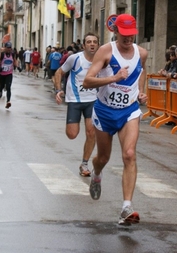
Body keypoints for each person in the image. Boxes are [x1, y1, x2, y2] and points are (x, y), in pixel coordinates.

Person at [82, 14, 148, 225]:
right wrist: (113, 78)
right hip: (104, 112)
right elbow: (87, 81)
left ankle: (126, 207)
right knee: (103, 158)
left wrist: (141, 91)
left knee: (129, 154)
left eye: (131, 35)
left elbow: (141, 72)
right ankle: (97, 173)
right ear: (116, 31)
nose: (128, 39)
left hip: (129, 111)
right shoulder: (106, 51)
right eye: (124, 35)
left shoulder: (142, 53)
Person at [54, 33, 100, 176]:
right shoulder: (75, 59)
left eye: (94, 42)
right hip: (74, 100)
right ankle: (73, 127)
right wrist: (58, 90)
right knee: (72, 134)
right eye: (89, 42)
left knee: (91, 132)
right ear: (84, 45)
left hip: (92, 100)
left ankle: (84, 164)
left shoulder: (101, 60)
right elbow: (58, 72)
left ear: (98, 45)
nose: (92, 44)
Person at [0, 42, 17, 109]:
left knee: (8, 87)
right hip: (2, 74)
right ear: (5, 48)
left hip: (9, 73)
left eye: (10, 48)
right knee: (2, 86)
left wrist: (17, 66)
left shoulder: (12, 54)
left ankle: (8, 101)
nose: (9, 49)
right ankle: (0, 90)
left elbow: (15, 61)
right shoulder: (1, 54)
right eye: (7, 48)